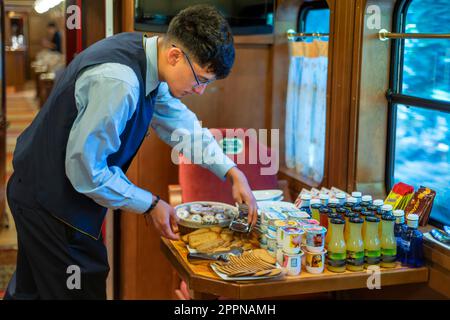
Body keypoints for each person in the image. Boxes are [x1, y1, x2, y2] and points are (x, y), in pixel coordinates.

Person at [5, 5, 257, 300]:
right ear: (175, 55)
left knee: (30, 294)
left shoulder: (149, 59)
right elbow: (87, 171)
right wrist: (150, 204)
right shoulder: (119, 82)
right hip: (51, 205)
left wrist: (231, 171)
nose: (200, 91)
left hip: (40, 192)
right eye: (200, 79)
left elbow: (181, 125)